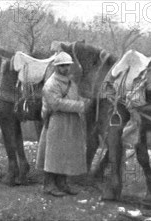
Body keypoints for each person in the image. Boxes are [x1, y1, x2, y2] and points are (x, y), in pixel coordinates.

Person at [36, 52, 91, 197]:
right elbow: (56, 104)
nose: (65, 68)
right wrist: (81, 106)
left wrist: (85, 101)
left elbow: (75, 97)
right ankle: (48, 185)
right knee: (53, 154)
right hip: (56, 121)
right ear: (56, 67)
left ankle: (62, 183)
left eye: (67, 65)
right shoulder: (51, 84)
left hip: (71, 121)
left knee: (66, 154)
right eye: (61, 66)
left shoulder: (71, 83)